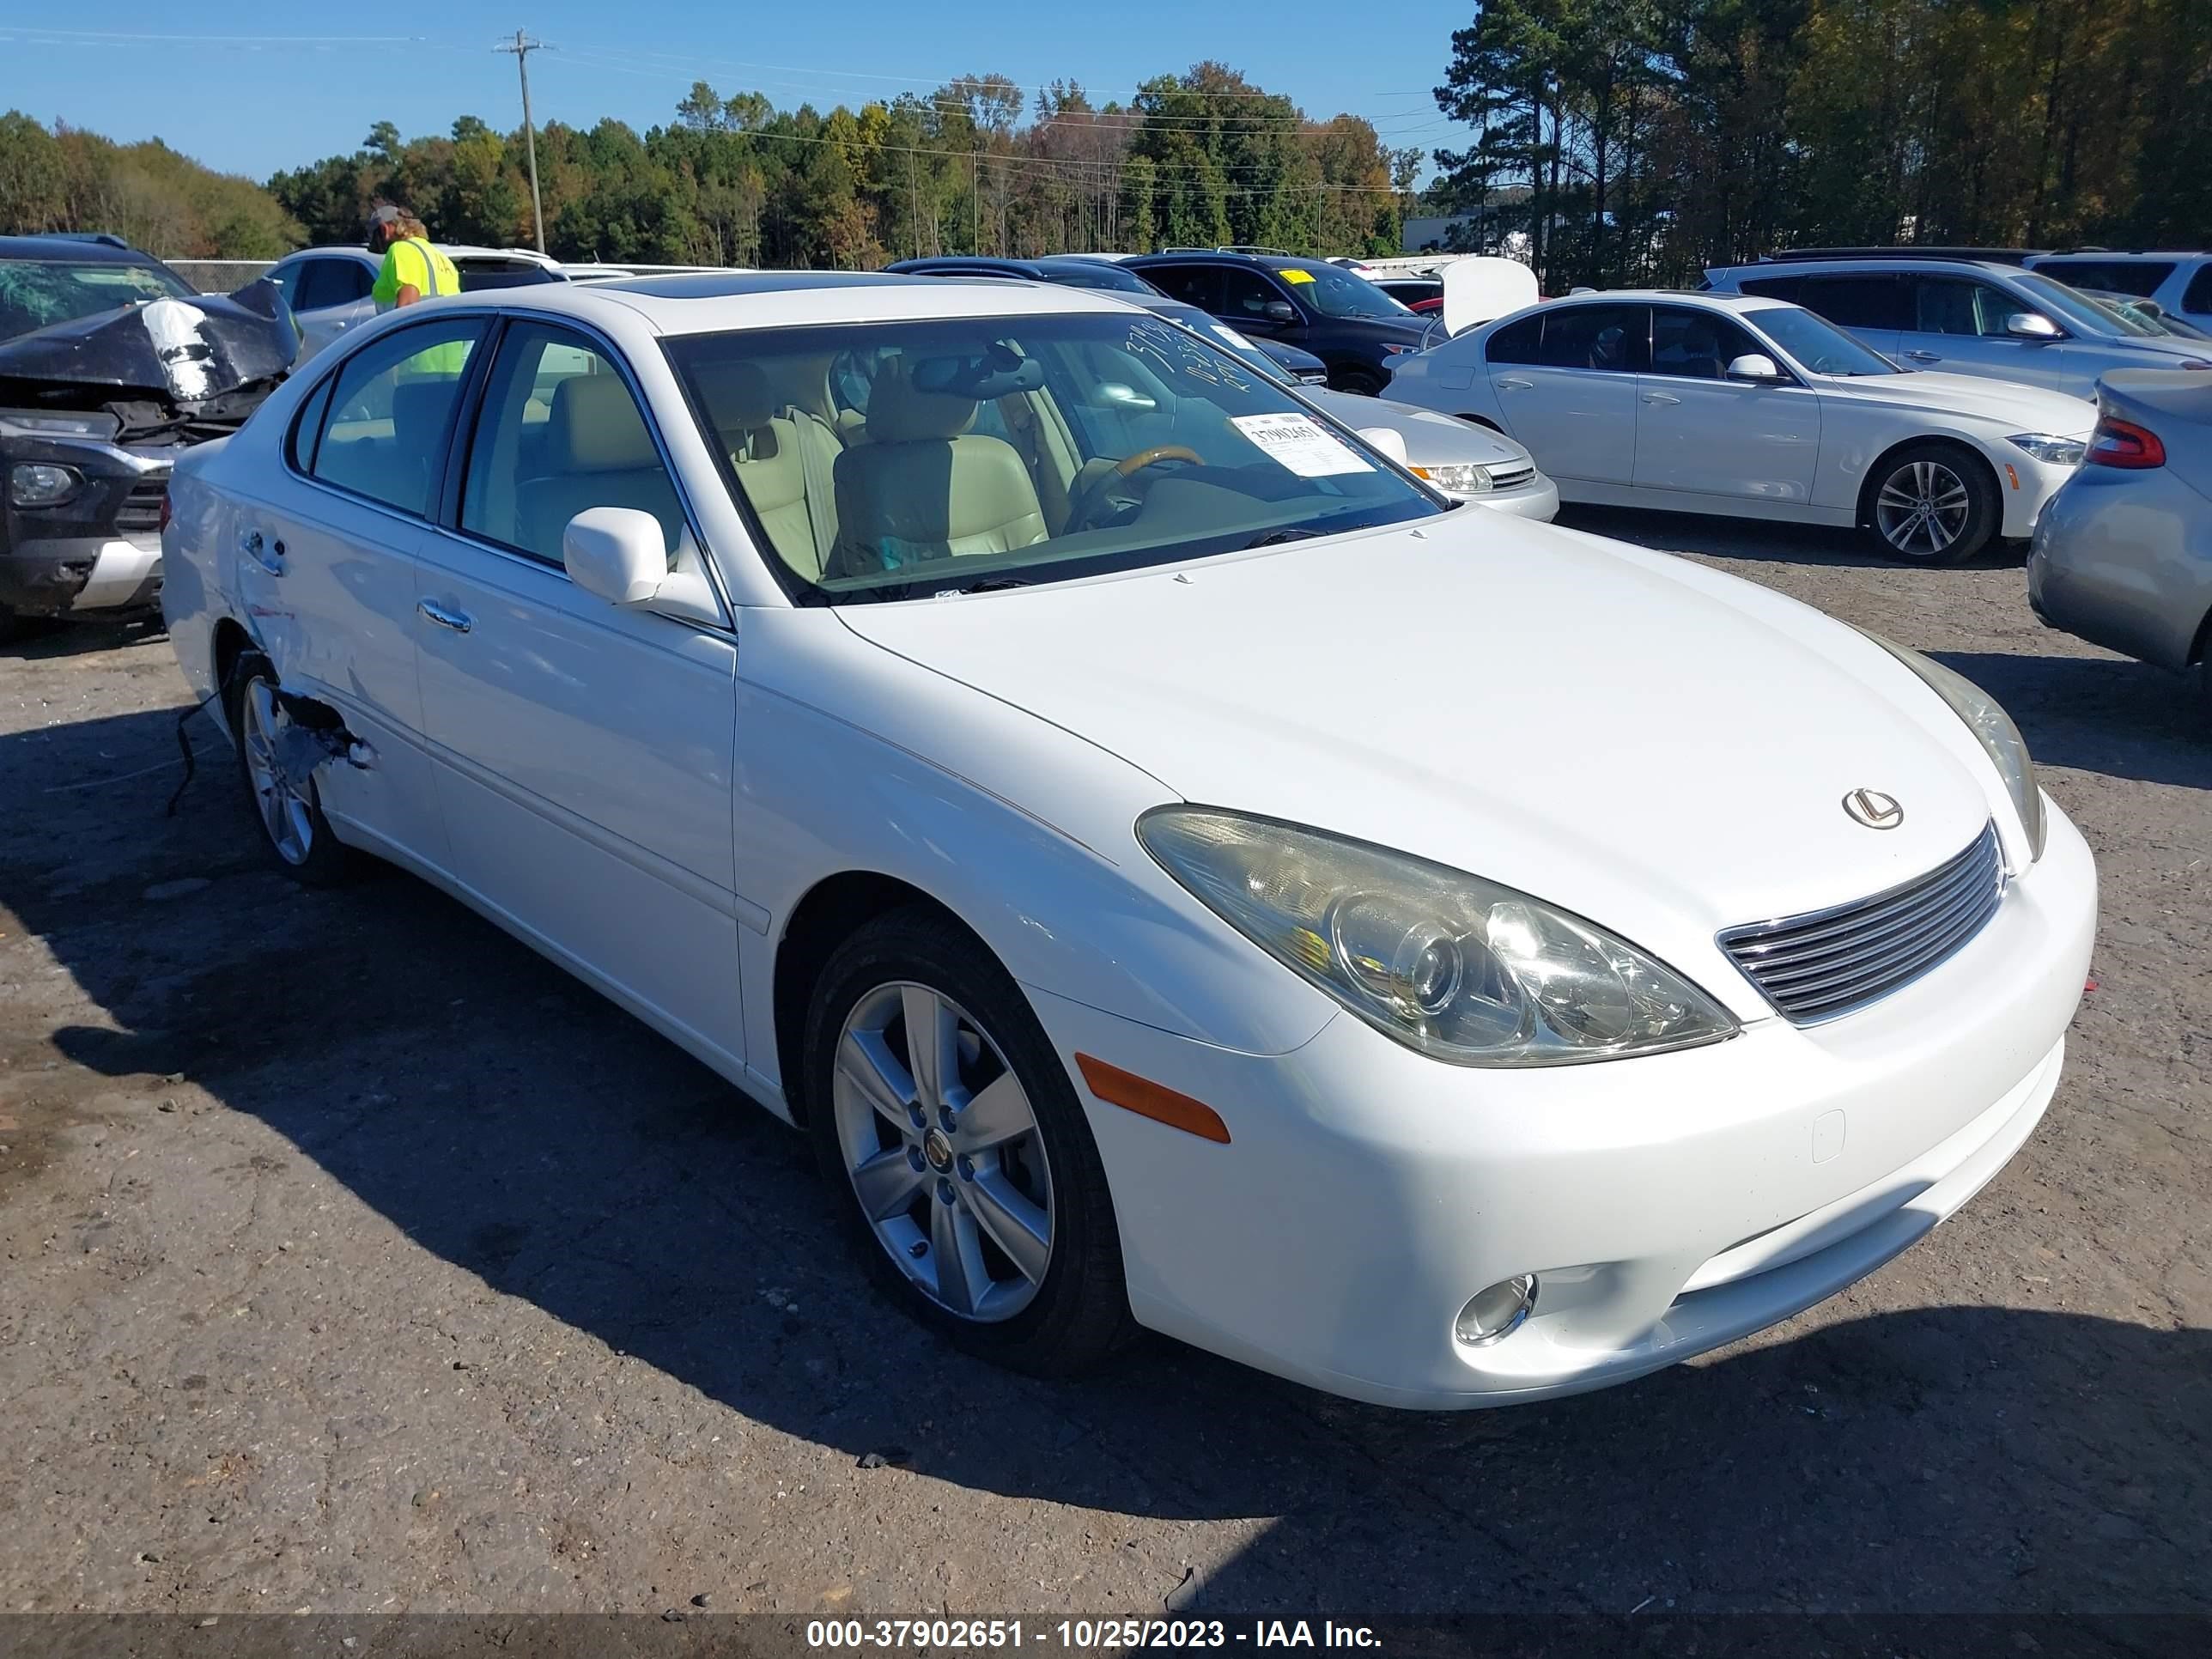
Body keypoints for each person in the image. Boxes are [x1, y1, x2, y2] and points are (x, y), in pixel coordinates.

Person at [365, 204, 459, 311]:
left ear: (384, 229)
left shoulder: (401, 249)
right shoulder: (439, 256)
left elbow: (408, 304)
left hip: (417, 327)